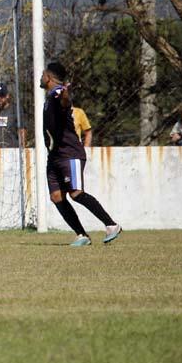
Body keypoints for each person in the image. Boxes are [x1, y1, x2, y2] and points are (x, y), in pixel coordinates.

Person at [41, 61, 121, 246]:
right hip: (55, 156)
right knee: (57, 196)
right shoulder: (49, 97)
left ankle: (111, 225)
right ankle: (82, 235)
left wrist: (66, 94)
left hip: (70, 154)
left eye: (43, 74)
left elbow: (65, 101)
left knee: (76, 193)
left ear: (49, 77)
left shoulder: (58, 93)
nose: (41, 77)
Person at [0, 83, 25, 149]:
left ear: (7, 96)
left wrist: (23, 148)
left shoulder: (15, 109)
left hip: (11, 150)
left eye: (1, 95)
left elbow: (21, 129)